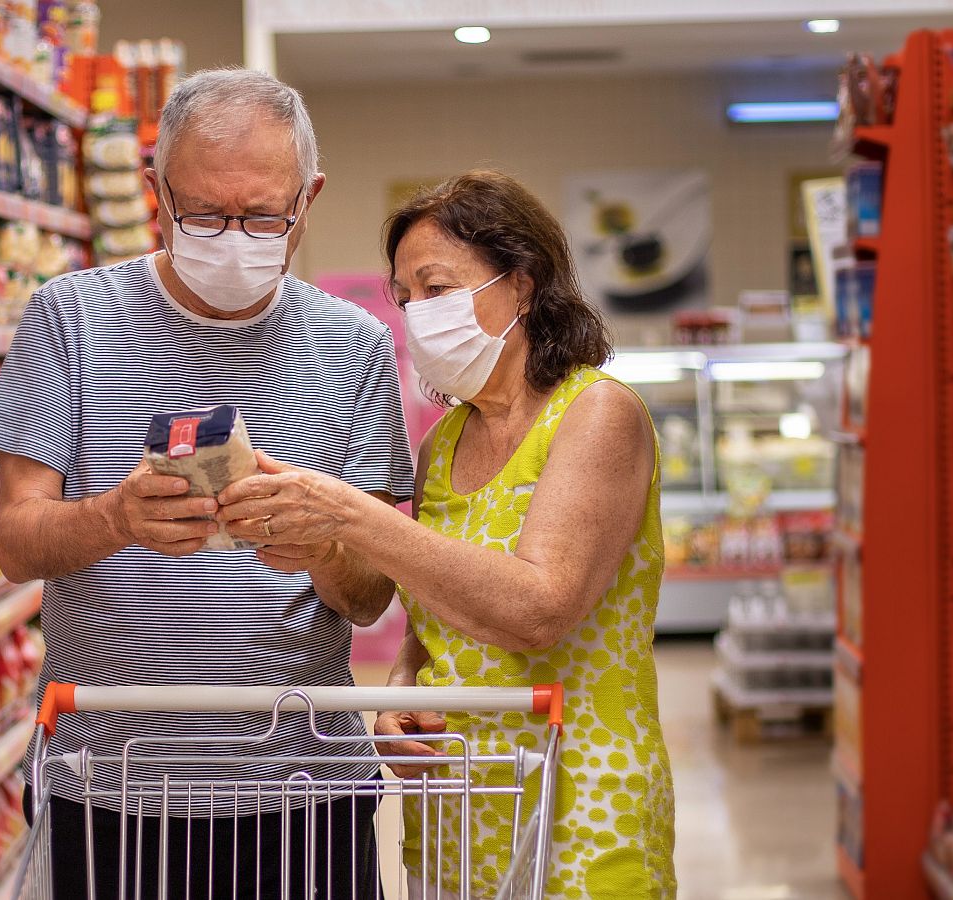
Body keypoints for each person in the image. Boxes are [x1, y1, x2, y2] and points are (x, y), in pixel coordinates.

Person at [0, 68, 414, 897]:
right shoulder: (68, 317)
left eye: (263, 216)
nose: (234, 236)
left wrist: (318, 545)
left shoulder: (353, 345)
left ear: (308, 198)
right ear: (155, 193)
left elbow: (366, 599)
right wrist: (115, 519)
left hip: (304, 785)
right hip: (108, 783)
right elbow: (16, 544)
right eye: (204, 214)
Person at [217, 170, 676, 899]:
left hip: (578, 802)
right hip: (456, 808)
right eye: (405, 298)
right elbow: (430, 627)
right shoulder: (444, 444)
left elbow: (538, 609)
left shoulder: (597, 416)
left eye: (437, 289)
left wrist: (350, 513)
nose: (416, 314)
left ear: (522, 283)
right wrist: (400, 692)